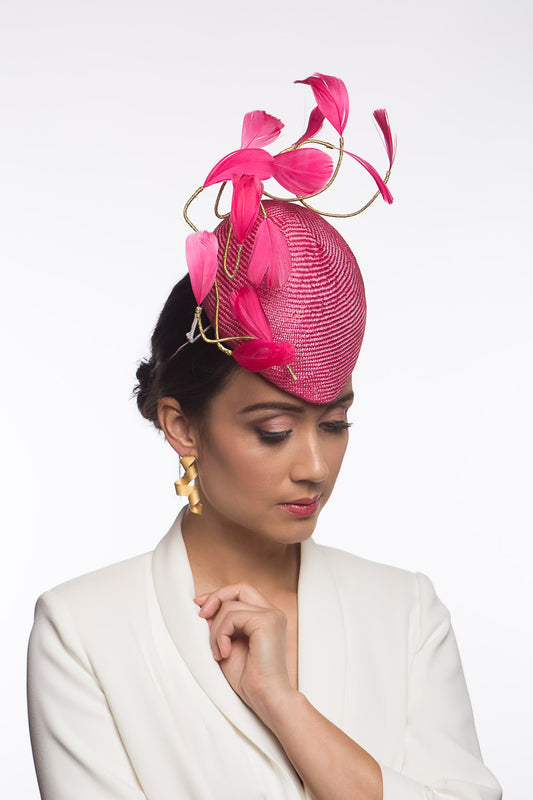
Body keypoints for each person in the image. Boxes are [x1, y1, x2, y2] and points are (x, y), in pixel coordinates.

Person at [27, 73, 502, 800]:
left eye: (335, 424)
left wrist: (286, 706)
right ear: (181, 425)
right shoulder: (83, 631)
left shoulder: (404, 612)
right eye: (274, 430)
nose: (314, 465)